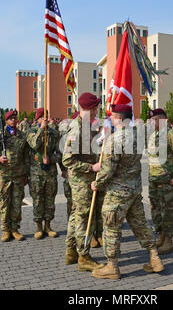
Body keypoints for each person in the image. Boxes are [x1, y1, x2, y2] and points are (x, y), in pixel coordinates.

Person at [90, 105, 164, 280]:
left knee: (111, 228)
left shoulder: (114, 140)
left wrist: (97, 183)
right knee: (141, 224)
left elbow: (108, 170)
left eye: (112, 117)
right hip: (134, 191)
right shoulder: (138, 138)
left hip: (117, 193)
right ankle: (155, 258)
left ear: (117, 118)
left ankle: (112, 266)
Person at [62, 92, 105, 271]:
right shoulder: (77, 129)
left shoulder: (87, 125)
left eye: (96, 108)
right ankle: (84, 257)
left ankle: (71, 252)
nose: (96, 111)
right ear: (84, 109)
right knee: (83, 219)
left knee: (75, 216)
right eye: (94, 108)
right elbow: (67, 160)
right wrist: (92, 168)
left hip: (84, 181)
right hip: (82, 182)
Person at [147, 109, 173, 255]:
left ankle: (168, 241)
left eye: (157, 119)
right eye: (152, 120)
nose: (154, 122)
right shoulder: (153, 135)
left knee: (168, 213)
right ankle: (161, 236)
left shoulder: (172, 135)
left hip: (168, 183)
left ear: (164, 119)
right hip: (154, 182)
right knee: (156, 212)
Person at [0, 110, 29, 242]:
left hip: (18, 175)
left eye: (15, 118)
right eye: (10, 118)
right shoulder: (0, 136)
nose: (13, 120)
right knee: (4, 203)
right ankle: (6, 230)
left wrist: (26, 174)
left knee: (17, 204)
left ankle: (15, 229)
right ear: (6, 121)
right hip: (4, 175)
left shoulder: (22, 135)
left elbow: (26, 157)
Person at [27, 108, 64, 240]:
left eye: (47, 116)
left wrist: (52, 159)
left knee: (50, 200)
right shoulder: (31, 131)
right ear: (37, 119)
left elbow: (60, 152)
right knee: (37, 200)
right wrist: (41, 130)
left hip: (50, 173)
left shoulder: (54, 133)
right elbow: (34, 145)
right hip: (36, 173)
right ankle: (39, 227)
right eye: (43, 117)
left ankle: (48, 226)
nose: (46, 119)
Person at [59, 112, 79, 220]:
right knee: (71, 202)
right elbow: (62, 156)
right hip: (70, 173)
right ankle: (71, 225)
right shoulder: (67, 136)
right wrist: (62, 169)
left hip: (82, 177)